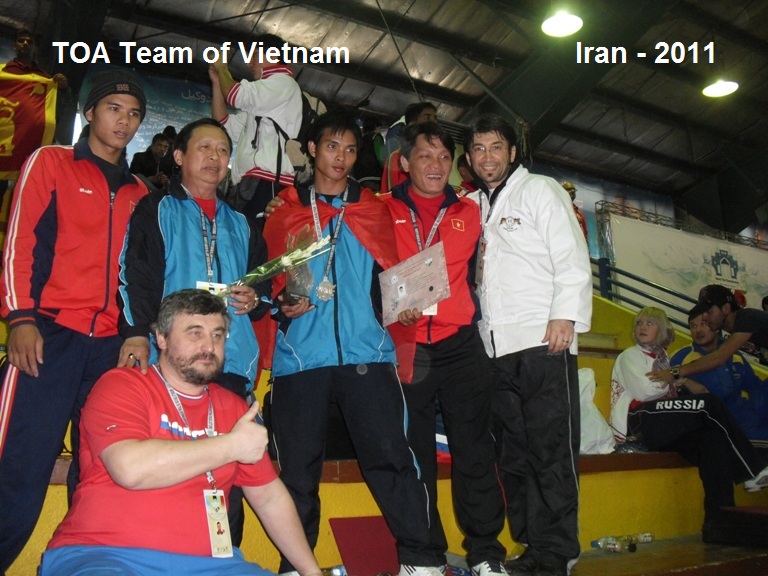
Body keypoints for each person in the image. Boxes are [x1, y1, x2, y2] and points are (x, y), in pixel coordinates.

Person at [262, 111, 442, 576]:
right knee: (298, 472)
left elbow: (394, 274)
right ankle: (296, 566)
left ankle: (420, 559)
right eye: (331, 146)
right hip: (301, 358)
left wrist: (403, 307)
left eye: (349, 149)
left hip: (368, 354)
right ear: (312, 150)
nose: (340, 158)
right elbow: (267, 282)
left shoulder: (373, 208)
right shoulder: (284, 208)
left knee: (392, 460)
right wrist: (281, 304)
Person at [38, 289, 323, 576]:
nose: (209, 346)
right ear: (161, 338)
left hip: (211, 565)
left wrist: (312, 572)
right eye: (195, 333)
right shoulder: (121, 385)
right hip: (105, 556)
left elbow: (269, 498)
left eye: (218, 335)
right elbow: (130, 469)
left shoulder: (234, 408)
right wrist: (230, 446)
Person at [0, 69, 148, 573]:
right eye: (114, 109)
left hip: (109, 350)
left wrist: (135, 333)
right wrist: (21, 317)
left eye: (134, 114)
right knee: (18, 467)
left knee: (99, 474)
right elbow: (19, 241)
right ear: (89, 113)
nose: (124, 122)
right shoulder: (51, 162)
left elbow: (142, 275)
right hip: (46, 336)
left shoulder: (140, 193)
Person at [119, 117, 270, 546]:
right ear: (180, 156)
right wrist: (136, 334)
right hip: (173, 365)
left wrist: (255, 300)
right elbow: (136, 276)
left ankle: (222, 559)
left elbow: (261, 290)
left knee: (226, 475)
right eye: (204, 148)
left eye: (222, 151)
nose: (214, 157)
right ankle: (167, 557)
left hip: (230, 364)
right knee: (174, 467)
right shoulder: (156, 209)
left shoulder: (243, 223)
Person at [464, 113, 592, 576]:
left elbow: (571, 255)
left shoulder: (540, 190)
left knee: (551, 451)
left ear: (513, 152)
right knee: (514, 455)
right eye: (479, 149)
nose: (488, 157)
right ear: (469, 158)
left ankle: (556, 551)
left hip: (543, 340)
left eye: (496, 147)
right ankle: (532, 545)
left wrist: (565, 315)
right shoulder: (471, 204)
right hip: (494, 348)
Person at [381, 121, 507, 576]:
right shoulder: (379, 208)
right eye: (424, 156)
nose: (435, 166)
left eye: (443, 158)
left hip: (460, 345)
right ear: (405, 162)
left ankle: (486, 554)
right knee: (415, 456)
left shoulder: (472, 210)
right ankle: (422, 556)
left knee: (475, 452)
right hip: (408, 346)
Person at [610, 306, 768, 541]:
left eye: (650, 323)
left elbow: (667, 386)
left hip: (663, 424)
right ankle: (752, 470)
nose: (642, 327)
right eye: (639, 323)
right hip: (640, 421)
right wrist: (679, 379)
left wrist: (676, 379)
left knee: (712, 442)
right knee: (707, 404)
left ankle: (718, 523)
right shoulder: (629, 355)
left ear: (662, 330)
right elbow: (645, 392)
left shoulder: (663, 359)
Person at [209, 33, 302, 222]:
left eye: (254, 56)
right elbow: (223, 124)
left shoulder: (282, 83)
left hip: (266, 182)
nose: (249, 63)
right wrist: (218, 83)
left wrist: (222, 67)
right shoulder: (265, 101)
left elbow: (235, 95)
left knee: (255, 237)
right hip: (253, 182)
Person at [670, 303, 768, 439]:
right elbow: (664, 376)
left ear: (715, 326)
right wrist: (684, 380)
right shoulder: (682, 357)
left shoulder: (733, 355)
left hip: (749, 416)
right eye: (693, 326)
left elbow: (755, 387)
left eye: (703, 324)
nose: (698, 330)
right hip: (723, 427)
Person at [649, 284, 768, 386]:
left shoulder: (747, 319)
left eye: (709, 312)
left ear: (726, 308)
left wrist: (673, 373)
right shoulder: (742, 324)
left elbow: (718, 358)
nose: (705, 317)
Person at [0, 28, 68, 201]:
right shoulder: (3, 73)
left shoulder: (45, 79)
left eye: (29, 42)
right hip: (4, 138)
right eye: (21, 40)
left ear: (35, 48)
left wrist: (63, 88)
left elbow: (58, 110)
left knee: (22, 197)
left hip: (28, 144)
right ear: (14, 45)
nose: (25, 44)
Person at [380, 102, 437, 193]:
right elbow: (391, 195)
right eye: (427, 117)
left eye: (435, 118)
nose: (433, 122)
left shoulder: (437, 158)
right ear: (412, 124)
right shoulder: (396, 158)